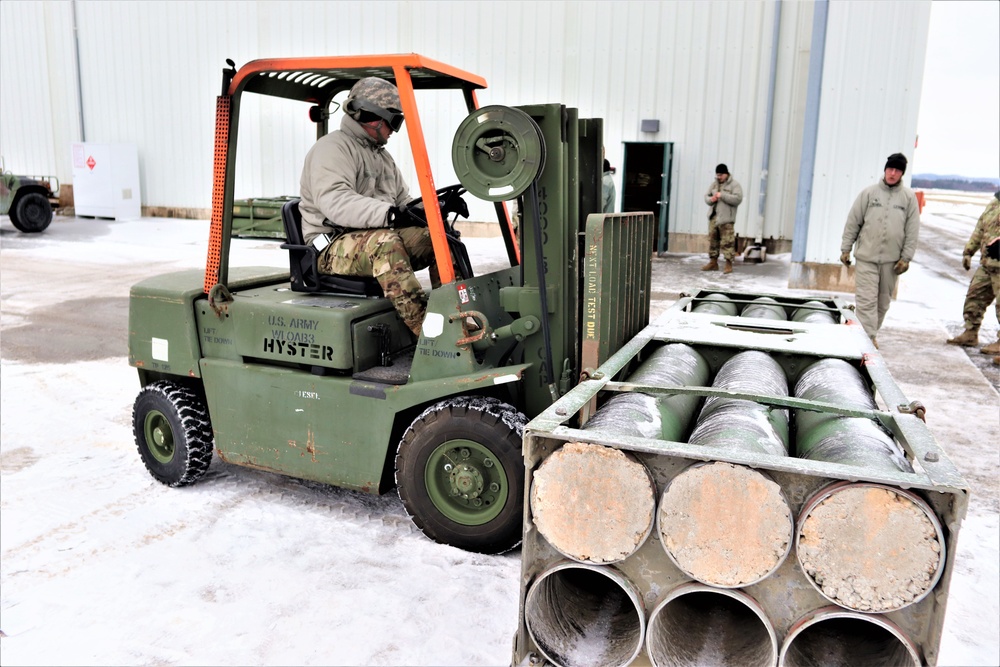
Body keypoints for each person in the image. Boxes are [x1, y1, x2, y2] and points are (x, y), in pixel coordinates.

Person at [299, 77, 440, 337]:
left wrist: (429, 210)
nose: (395, 130)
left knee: (439, 238)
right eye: (394, 121)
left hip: (370, 238)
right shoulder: (332, 149)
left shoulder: (381, 157)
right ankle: (430, 336)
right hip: (330, 246)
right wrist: (389, 214)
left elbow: (401, 202)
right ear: (371, 116)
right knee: (384, 244)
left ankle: (455, 316)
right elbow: (336, 202)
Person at [840, 152, 920, 348]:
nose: (893, 173)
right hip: (866, 257)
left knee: (882, 302)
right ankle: (867, 339)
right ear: (885, 170)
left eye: (897, 170)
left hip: (892, 261)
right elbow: (853, 222)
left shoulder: (908, 198)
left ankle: (870, 334)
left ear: (902, 174)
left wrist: (906, 258)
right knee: (866, 300)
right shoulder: (869, 194)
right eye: (890, 169)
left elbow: (912, 230)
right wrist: (845, 248)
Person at [946, 191, 1000, 357]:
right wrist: (968, 252)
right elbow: (980, 229)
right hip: (987, 264)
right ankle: (970, 333)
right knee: (974, 298)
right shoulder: (994, 203)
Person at [702, 163, 743, 274]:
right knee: (713, 241)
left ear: (726, 174)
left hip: (726, 219)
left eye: (720, 175)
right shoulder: (714, 185)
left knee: (727, 242)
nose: (718, 177)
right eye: (717, 175)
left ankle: (728, 264)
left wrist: (722, 195)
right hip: (714, 217)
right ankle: (713, 262)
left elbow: (738, 199)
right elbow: (706, 197)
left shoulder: (734, 185)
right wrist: (712, 199)